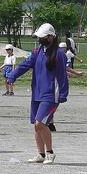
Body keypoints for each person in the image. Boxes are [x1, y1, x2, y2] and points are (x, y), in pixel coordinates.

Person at [7, 23, 69, 164]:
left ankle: (50, 153)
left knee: (40, 123)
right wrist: (13, 75)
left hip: (51, 95)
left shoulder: (59, 54)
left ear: (51, 37)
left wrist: (63, 94)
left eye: (43, 37)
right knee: (36, 125)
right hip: (37, 93)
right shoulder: (37, 52)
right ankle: (40, 154)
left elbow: (62, 76)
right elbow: (24, 65)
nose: (40, 39)